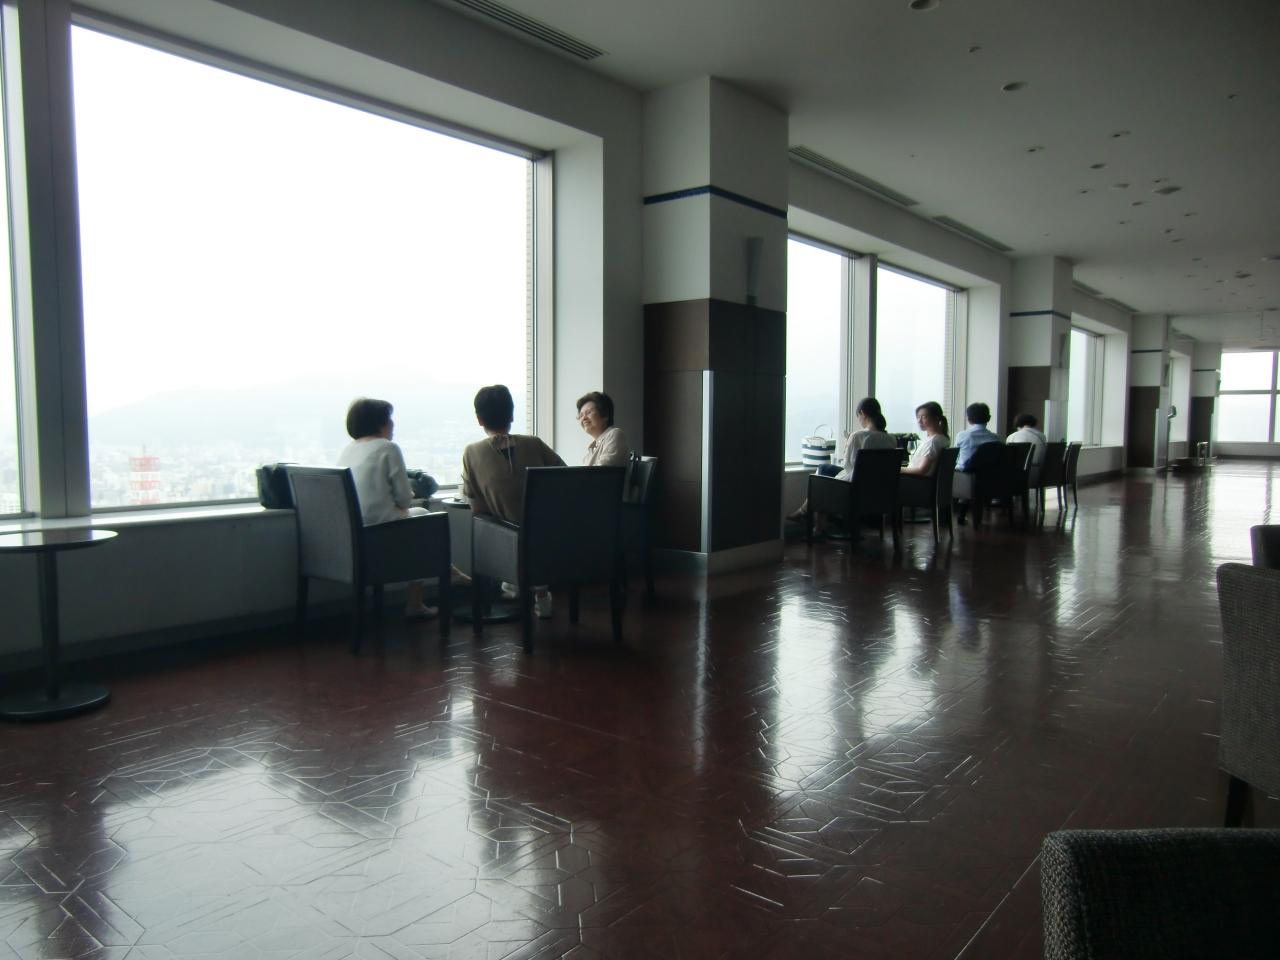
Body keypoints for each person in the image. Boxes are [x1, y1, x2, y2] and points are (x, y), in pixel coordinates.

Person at [461, 384, 564, 617]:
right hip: (551, 538)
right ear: (512, 415)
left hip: (508, 544)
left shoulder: (472, 452)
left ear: (479, 419)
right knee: (534, 526)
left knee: (496, 523)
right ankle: (539, 593)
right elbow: (564, 478)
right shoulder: (534, 443)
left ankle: (514, 582)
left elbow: (477, 508)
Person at [337, 397, 437, 620]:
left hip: (354, 537)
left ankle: (453, 573)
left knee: (419, 523)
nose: (393, 424)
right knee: (425, 518)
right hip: (382, 535)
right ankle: (416, 602)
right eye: (389, 419)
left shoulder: (348, 451)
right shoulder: (388, 448)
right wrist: (409, 495)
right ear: (380, 423)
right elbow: (404, 500)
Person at [787, 397, 897, 525]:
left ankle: (810, 518)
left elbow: (848, 466)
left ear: (862, 413)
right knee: (824, 470)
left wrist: (847, 446)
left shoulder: (857, 436)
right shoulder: (891, 439)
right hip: (878, 494)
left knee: (822, 477)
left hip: (853, 492)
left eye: (858, 417)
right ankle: (811, 520)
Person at [577, 391, 630, 466]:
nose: (583, 418)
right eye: (581, 415)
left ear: (605, 415)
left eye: (588, 412)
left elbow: (603, 470)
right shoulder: (589, 454)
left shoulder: (615, 434)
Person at [900, 401, 950, 478]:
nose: (919, 421)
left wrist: (899, 469)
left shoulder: (933, 441)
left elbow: (922, 470)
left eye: (924, 417)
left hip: (915, 480)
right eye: (918, 417)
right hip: (920, 480)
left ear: (936, 418)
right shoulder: (943, 438)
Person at [954, 402, 1002, 471]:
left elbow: (955, 455)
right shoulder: (996, 439)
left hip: (964, 474)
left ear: (969, 420)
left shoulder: (962, 435)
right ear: (989, 418)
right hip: (989, 475)